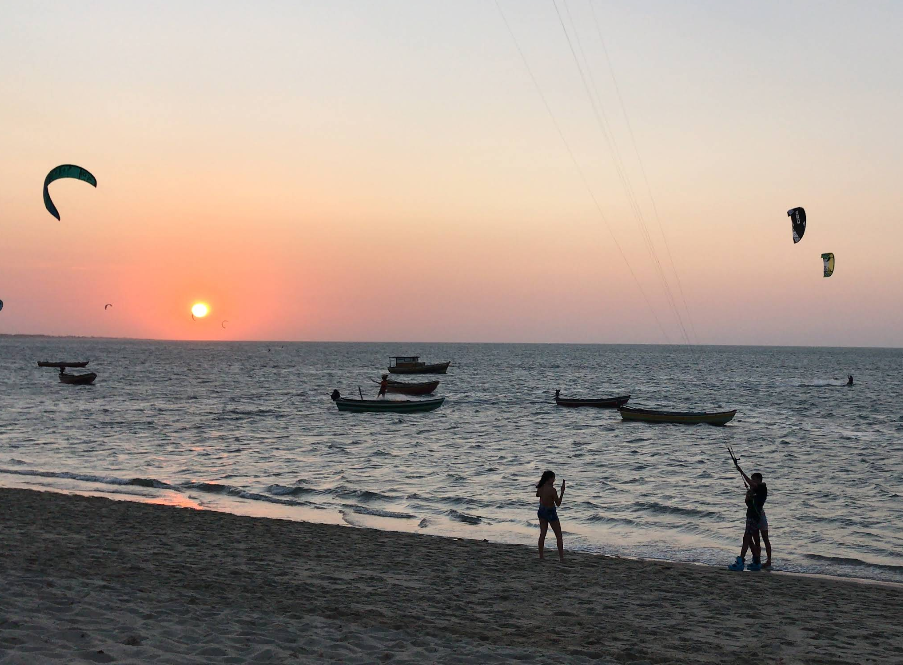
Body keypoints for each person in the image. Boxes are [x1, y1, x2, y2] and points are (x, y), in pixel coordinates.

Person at [728, 469, 768, 571]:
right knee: (749, 539)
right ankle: (756, 560)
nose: (752, 482)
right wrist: (748, 496)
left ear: (759, 480)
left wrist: (741, 471)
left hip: (754, 517)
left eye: (754, 480)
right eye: (752, 479)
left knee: (746, 538)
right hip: (750, 516)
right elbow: (747, 503)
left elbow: (753, 485)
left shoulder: (762, 487)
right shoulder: (754, 491)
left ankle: (741, 561)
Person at [535, 470, 565, 561]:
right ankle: (561, 558)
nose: (554, 480)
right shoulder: (552, 490)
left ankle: (541, 556)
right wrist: (562, 491)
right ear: (549, 479)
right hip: (550, 512)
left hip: (541, 510)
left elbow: (537, 495)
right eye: (553, 478)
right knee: (559, 535)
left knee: (543, 534)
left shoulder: (541, 487)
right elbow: (558, 503)